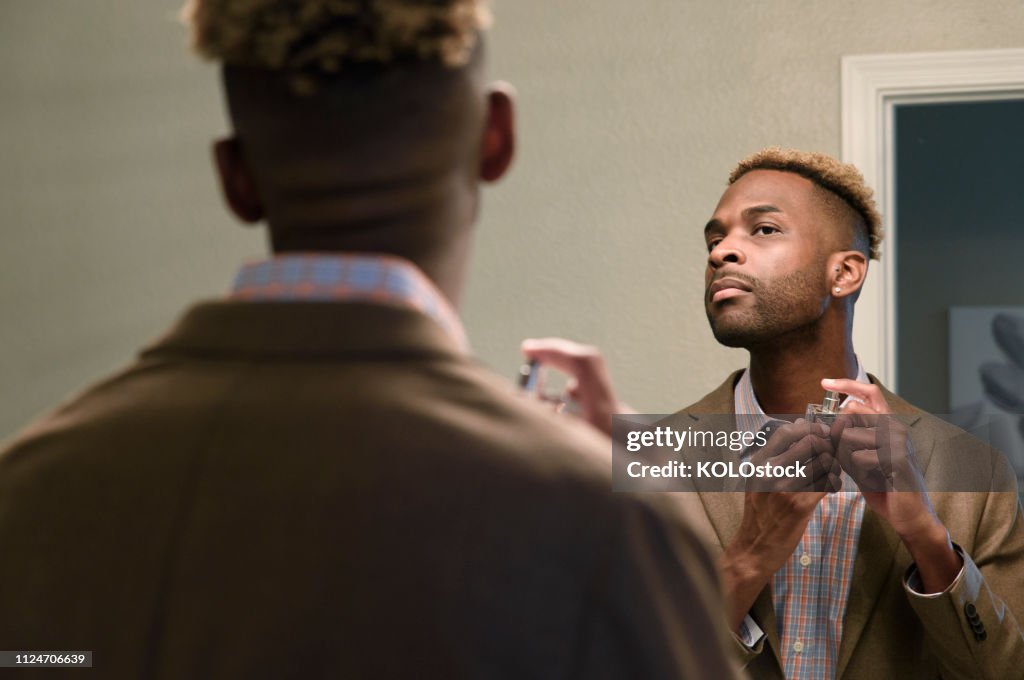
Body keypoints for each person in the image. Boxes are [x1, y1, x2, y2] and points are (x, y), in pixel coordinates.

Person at [0, 2, 742, 678]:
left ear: (235, 177)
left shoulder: (27, 488)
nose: (728, 252)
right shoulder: (607, 529)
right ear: (496, 137)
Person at [524, 147, 1024, 678]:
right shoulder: (644, 458)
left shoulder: (973, 469)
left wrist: (925, 535)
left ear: (845, 273)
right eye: (715, 239)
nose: (722, 253)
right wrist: (747, 560)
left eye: (763, 230)